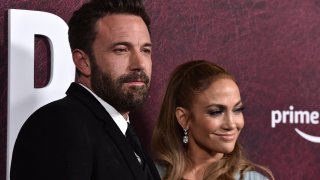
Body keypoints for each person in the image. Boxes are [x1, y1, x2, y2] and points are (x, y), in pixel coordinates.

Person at [10, 0, 160, 179]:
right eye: (121, 50)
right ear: (83, 61)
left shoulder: (123, 131)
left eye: (145, 50)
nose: (140, 64)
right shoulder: (58, 125)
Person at [152, 60, 274, 180]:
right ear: (184, 118)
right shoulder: (152, 174)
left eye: (237, 110)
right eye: (216, 112)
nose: (231, 124)